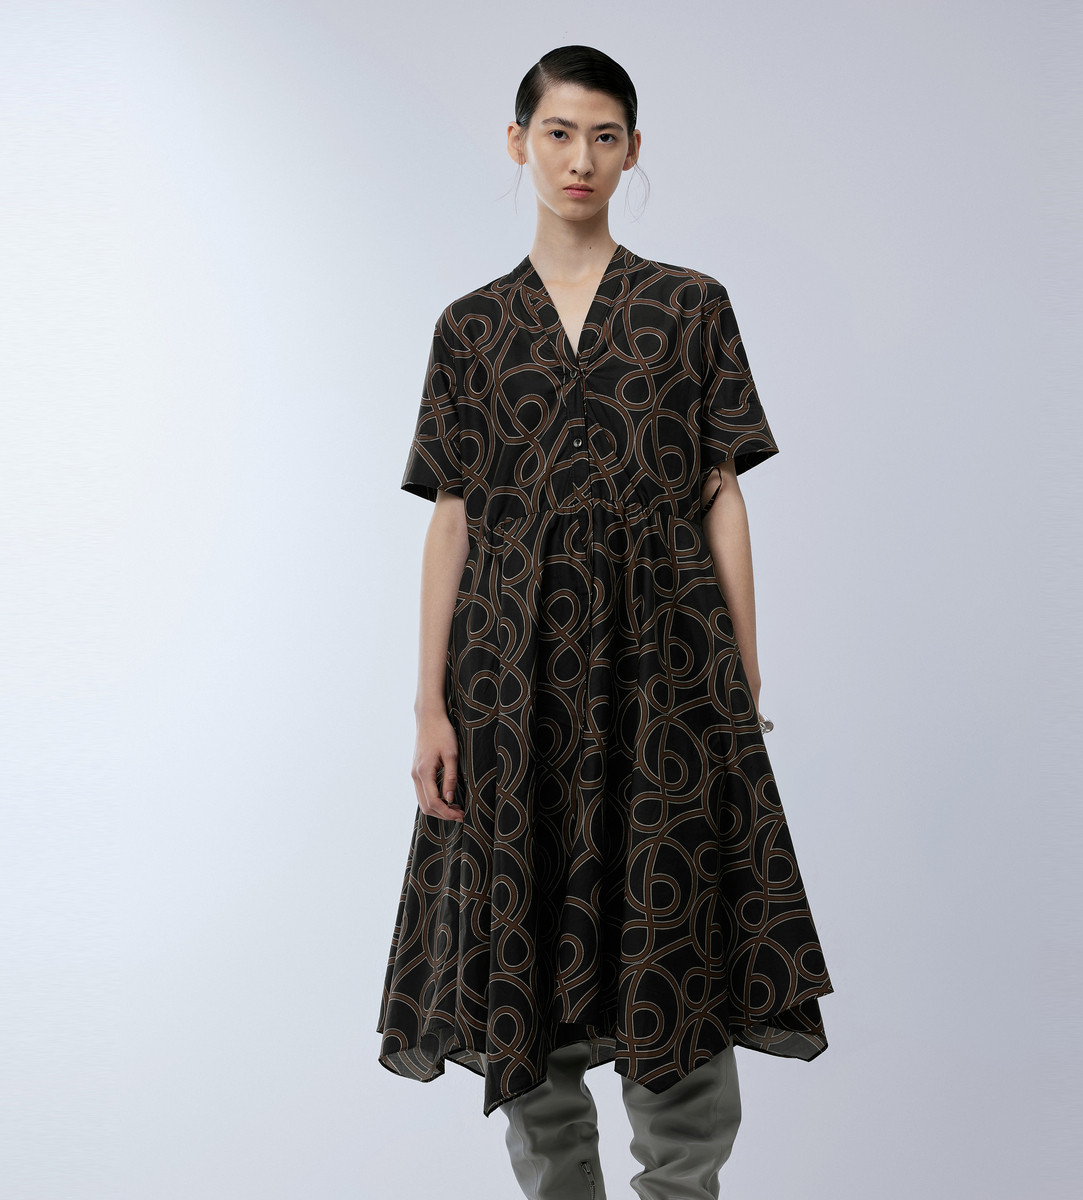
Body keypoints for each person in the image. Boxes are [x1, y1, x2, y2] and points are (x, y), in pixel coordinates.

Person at [376, 44, 835, 1200]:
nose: (581, 158)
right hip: (509, 682)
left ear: (633, 152)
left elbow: (721, 496)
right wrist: (431, 706)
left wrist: (743, 678)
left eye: (605, 135)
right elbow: (452, 519)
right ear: (518, 141)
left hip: (668, 673)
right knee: (519, 945)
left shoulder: (690, 307)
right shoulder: (471, 327)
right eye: (559, 132)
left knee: (679, 944)